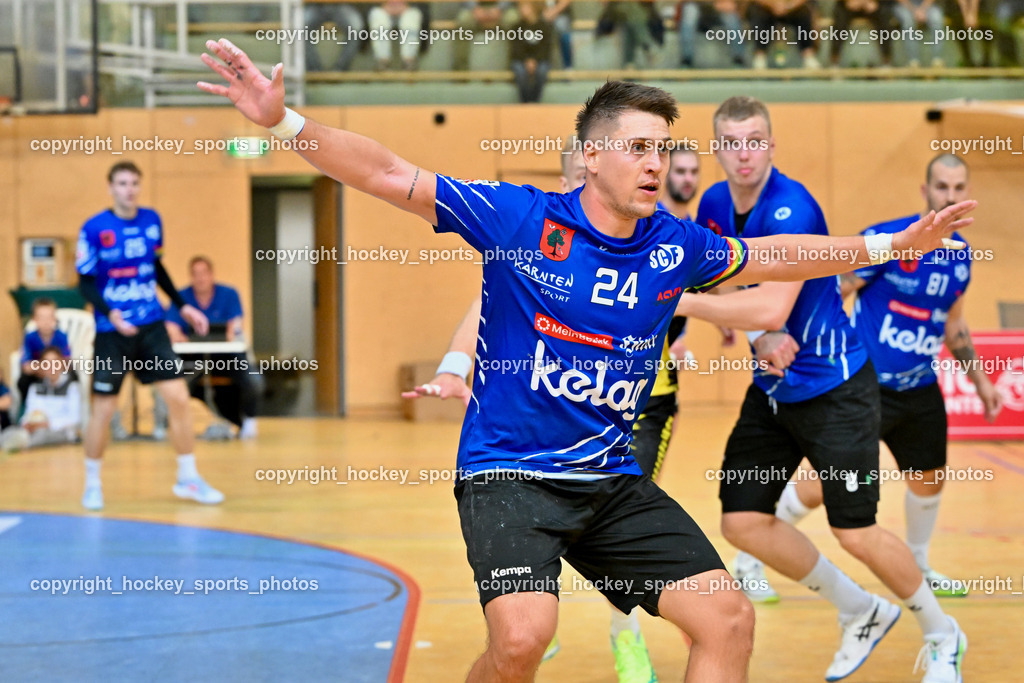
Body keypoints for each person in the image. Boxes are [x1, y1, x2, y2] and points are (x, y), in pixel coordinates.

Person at [198, 44, 974, 680]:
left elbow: (774, 254)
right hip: (509, 471)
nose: (656, 164)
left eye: (664, 150)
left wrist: (885, 246)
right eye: (639, 148)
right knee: (523, 638)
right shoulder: (518, 218)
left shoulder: (676, 243)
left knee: (727, 615)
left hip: (607, 479)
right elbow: (387, 173)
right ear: (592, 156)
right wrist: (285, 122)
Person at [675, 95, 969, 682]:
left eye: (754, 139)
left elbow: (772, 299)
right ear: (717, 149)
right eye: (731, 142)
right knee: (742, 522)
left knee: (854, 530)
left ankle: (943, 635)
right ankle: (860, 610)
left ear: (772, 145)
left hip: (836, 389)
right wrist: (755, 333)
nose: (743, 154)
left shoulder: (791, 206)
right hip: (774, 388)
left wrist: (673, 303)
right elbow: (724, 282)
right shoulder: (711, 203)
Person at [404, 142, 705, 683]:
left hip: (637, 412)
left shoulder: (666, 237)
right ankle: (532, 601)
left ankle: (625, 632)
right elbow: (484, 307)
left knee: (650, 552)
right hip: (528, 446)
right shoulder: (541, 234)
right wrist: (454, 364)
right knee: (523, 631)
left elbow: (732, 287)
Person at [737, 153, 1003, 603]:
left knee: (929, 478)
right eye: (942, 187)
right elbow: (826, 287)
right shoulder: (889, 240)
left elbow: (953, 322)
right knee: (824, 485)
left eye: (959, 189)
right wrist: (777, 333)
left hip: (919, 387)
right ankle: (751, 556)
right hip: (865, 386)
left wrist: (979, 380)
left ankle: (917, 562)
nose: (950, 196)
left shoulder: (961, 256)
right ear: (925, 191)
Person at [76, 161, 224, 511]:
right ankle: (92, 483)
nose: (129, 189)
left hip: (152, 326)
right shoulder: (95, 228)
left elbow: (156, 267)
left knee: (178, 398)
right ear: (110, 187)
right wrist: (109, 312)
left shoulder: (152, 221)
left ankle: (188, 477)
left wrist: (182, 305)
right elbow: (84, 281)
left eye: (134, 183)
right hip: (113, 332)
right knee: (103, 409)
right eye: (122, 183)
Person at [164, 255, 260, 439]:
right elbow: (171, 327)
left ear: (211, 274)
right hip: (192, 357)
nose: (200, 278)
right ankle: (171, 425)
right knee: (172, 380)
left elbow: (236, 325)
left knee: (253, 379)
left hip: (226, 356)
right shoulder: (182, 298)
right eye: (195, 274)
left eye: (203, 273)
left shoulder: (229, 294)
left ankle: (248, 422)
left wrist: (232, 332)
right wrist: (177, 335)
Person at [1, 346, 81, 451]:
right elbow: (29, 413)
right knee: (10, 432)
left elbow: (75, 419)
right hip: (36, 430)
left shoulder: (72, 387)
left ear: (62, 364)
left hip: (61, 432)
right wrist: (27, 423)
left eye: (55, 362)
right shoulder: (35, 388)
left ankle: (21, 443)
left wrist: (47, 424)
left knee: (42, 435)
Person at [17, 297, 72, 406]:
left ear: (55, 319)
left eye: (49, 318)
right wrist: (45, 370)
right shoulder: (29, 338)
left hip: (58, 373)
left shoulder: (61, 336)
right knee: (23, 381)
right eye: (41, 318)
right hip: (38, 374)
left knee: (74, 377)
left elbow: (67, 362)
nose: (46, 322)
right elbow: (26, 366)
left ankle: (66, 406)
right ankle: (27, 408)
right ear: (34, 319)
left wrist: (54, 370)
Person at [746, 0, 820, 69]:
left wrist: (789, 5)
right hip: (766, 7)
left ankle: (808, 54)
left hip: (792, 7)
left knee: (804, 13)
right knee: (759, 14)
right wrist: (773, 4)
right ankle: (760, 55)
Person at [677, 0, 746, 68]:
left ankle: (738, 59)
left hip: (719, 6)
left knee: (732, 19)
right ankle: (686, 60)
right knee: (689, 14)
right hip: (696, 6)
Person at [509, 2, 555, 103]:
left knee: (542, 71)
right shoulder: (517, 27)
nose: (521, 10)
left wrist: (535, 60)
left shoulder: (544, 27)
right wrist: (526, 60)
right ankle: (525, 101)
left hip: (540, 60)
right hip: (521, 60)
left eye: (525, 7)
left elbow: (545, 48)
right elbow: (516, 48)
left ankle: (535, 100)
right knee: (520, 72)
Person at [367, 1, 426, 71]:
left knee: (411, 17)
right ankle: (382, 60)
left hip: (408, 9)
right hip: (383, 9)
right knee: (377, 14)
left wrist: (407, 5)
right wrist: (382, 5)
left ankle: (409, 61)